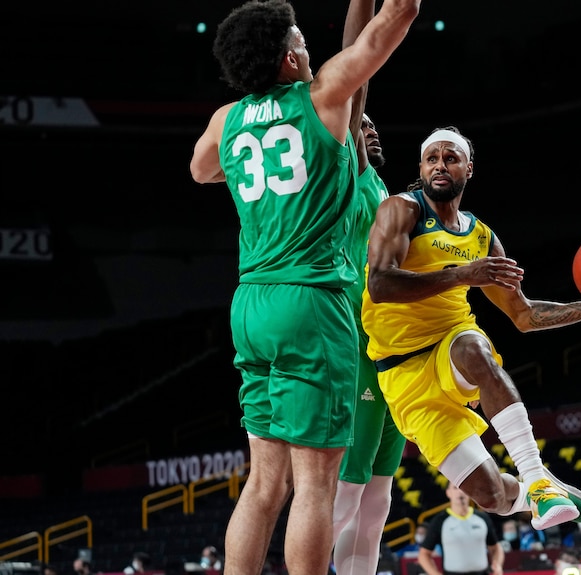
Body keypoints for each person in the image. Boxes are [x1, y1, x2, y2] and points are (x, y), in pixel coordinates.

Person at [188, 1, 421, 575]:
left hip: (250, 304)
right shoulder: (323, 98)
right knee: (316, 485)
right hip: (311, 301)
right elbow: (400, 14)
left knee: (264, 484)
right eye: (302, 41)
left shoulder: (227, 119)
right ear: (291, 57)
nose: (312, 50)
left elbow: (200, 169)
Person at [360, 125, 581, 531]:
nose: (440, 165)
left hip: (450, 342)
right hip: (401, 374)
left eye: (451, 157)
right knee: (491, 496)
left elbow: (524, 315)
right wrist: (463, 274)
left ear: (468, 169)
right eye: (432, 158)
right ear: (421, 168)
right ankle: (531, 492)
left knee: (472, 349)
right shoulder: (401, 210)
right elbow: (380, 284)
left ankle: (536, 477)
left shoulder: (482, 237)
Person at [330, 3, 408, 575]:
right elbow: (357, 71)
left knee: (379, 495)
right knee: (348, 489)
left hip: (392, 348)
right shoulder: (344, 170)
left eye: (374, 126)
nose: (371, 128)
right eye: (363, 124)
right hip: (355, 341)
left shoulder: (381, 187)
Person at [417, 481, 504, 575]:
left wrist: (497, 565)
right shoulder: (440, 521)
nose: (460, 492)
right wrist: (435, 573)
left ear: (470, 492)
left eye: (463, 488)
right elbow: (424, 554)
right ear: (448, 492)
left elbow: (496, 547)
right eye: (455, 488)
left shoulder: (482, 518)